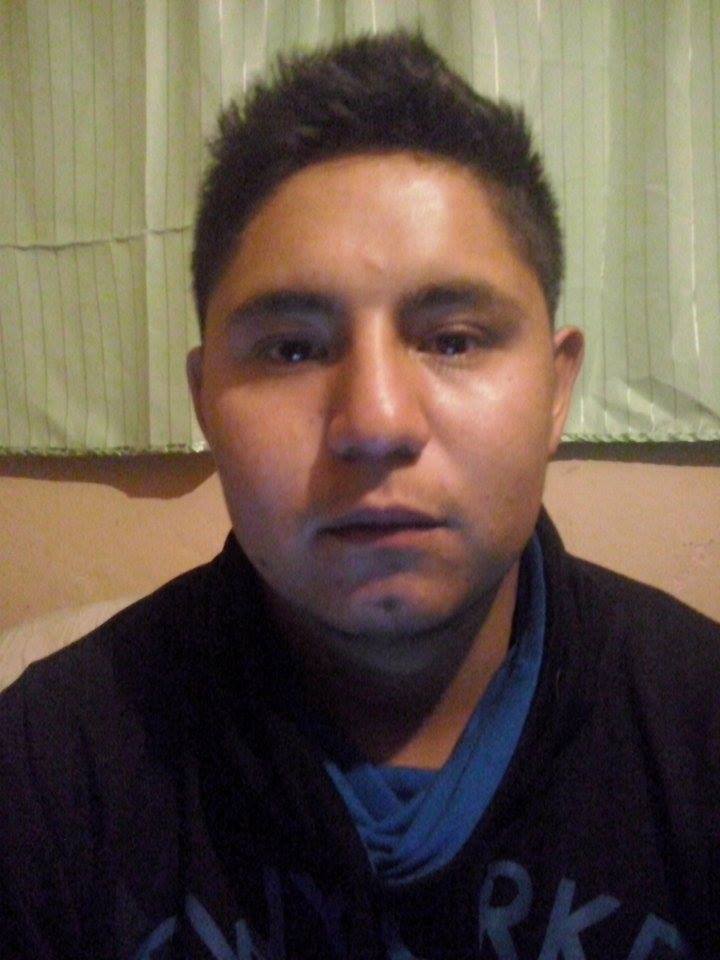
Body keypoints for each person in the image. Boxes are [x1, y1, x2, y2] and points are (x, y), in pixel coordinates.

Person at [1, 31, 718, 960]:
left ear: (555, 390)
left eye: (453, 339)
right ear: (206, 402)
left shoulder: (699, 729)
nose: (375, 422)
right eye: (293, 349)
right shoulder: (44, 769)